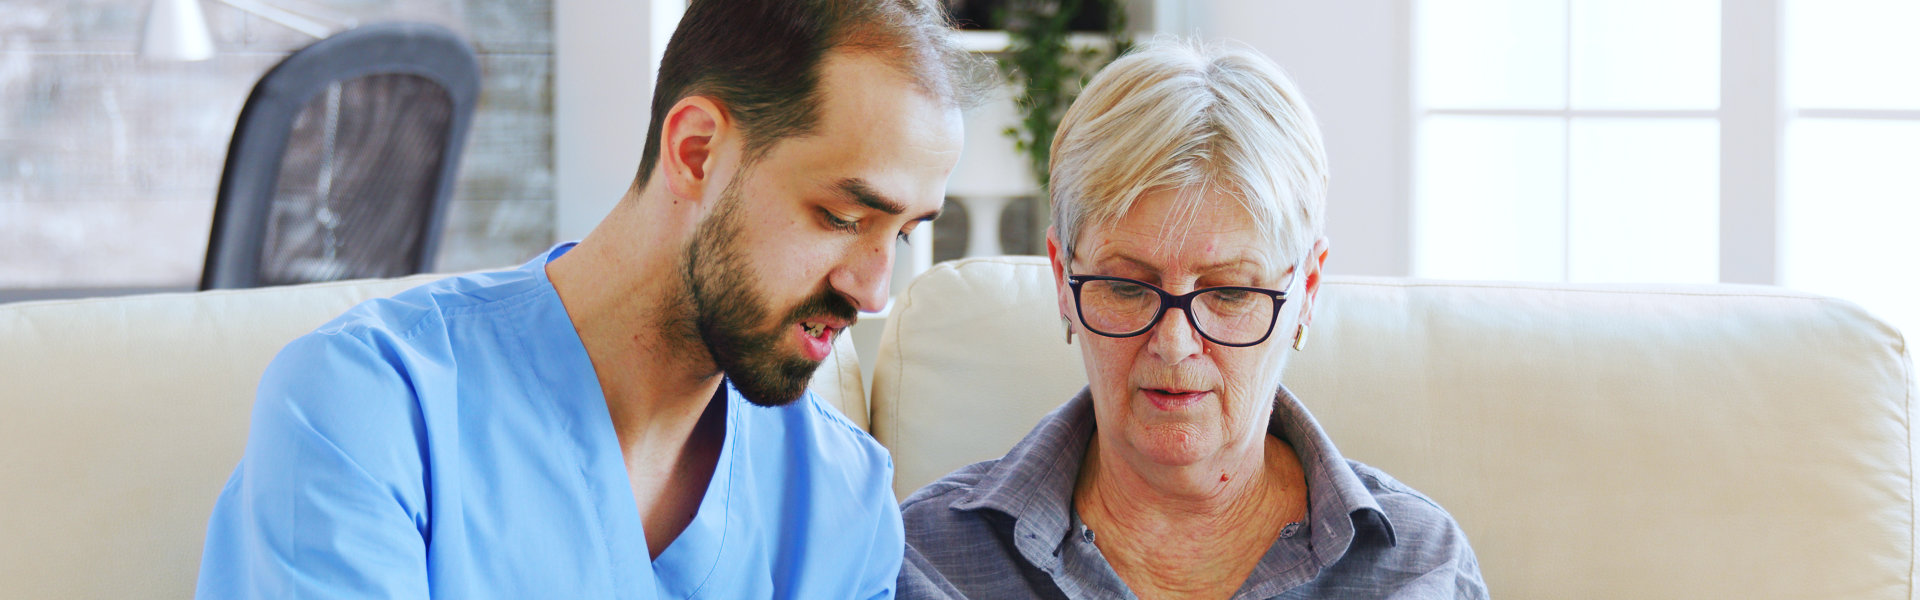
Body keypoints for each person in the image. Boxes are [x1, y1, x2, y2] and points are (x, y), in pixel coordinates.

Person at [196, 1, 980, 597]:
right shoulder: (368, 407)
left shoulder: (841, 496)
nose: (874, 289)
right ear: (697, 152)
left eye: (904, 233)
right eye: (843, 217)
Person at [898, 40, 1488, 599]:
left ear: (1306, 290)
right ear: (1062, 278)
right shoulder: (929, 556)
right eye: (1127, 286)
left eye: (1229, 292)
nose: (1175, 343)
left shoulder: (1417, 566)